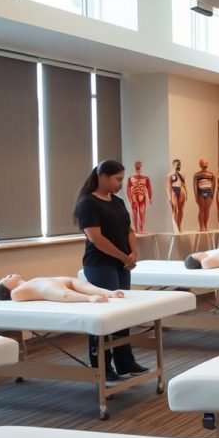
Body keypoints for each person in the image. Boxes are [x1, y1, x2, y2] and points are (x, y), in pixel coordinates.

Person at [73, 160, 148, 385]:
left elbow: (129, 229)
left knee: (121, 314)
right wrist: (123, 257)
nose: (120, 184)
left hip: (121, 264)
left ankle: (125, 361)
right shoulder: (88, 203)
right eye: (118, 179)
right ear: (103, 176)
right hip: (100, 265)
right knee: (104, 316)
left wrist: (133, 252)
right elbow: (96, 238)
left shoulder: (117, 201)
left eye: (122, 179)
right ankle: (102, 367)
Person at [0, 274, 125, 304]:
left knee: (83, 285)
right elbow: (15, 297)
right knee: (64, 294)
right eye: (7, 278)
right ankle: (89, 298)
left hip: (58, 281)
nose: (11, 274)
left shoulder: (30, 281)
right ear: (7, 289)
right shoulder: (16, 293)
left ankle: (110, 293)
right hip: (46, 288)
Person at [127, 160, 152, 233]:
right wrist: (130, 198)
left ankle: (141, 229)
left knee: (142, 213)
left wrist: (150, 198)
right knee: (134, 214)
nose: (138, 166)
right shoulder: (130, 178)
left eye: (139, 164)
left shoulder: (146, 178)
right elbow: (128, 189)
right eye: (136, 165)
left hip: (142, 197)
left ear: (141, 166)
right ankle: (136, 229)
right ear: (134, 166)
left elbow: (149, 188)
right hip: (134, 197)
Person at [194, 158, 216, 231]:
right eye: (203, 163)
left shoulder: (211, 174)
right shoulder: (197, 174)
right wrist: (196, 196)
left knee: (207, 209)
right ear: (200, 164)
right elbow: (195, 186)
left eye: (206, 163)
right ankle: (201, 226)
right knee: (202, 209)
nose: (205, 165)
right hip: (200, 192)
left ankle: (206, 225)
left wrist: (212, 194)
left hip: (208, 192)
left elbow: (213, 185)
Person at [167, 159, 187, 233]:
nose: (178, 165)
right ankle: (175, 227)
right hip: (173, 190)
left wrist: (186, 194)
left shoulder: (182, 174)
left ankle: (179, 225)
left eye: (179, 164)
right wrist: (169, 197)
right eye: (176, 164)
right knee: (176, 209)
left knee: (181, 209)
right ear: (173, 165)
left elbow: (184, 185)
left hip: (181, 190)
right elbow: (168, 186)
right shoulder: (170, 175)